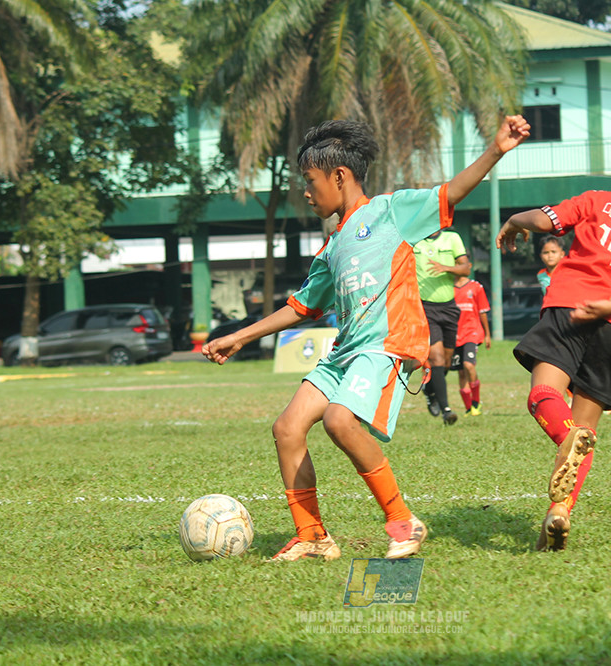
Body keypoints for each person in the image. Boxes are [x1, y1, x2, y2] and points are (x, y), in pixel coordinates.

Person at [203, 116, 530, 562]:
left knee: (340, 420)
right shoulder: (333, 246)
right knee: (287, 428)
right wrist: (239, 336)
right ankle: (313, 536)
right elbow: (301, 306)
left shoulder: (391, 211)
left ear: (339, 177)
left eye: (310, 180)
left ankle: (402, 523)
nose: (306, 190)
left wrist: (496, 149)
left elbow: (449, 193)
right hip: (345, 353)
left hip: (386, 346)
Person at [495, 129, 611, 552]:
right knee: (586, 429)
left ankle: (565, 437)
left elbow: (546, 220)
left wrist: (514, 221)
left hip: (569, 308)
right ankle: (558, 513)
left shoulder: (596, 199)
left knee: (544, 394)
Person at [414, 228, 471, 425]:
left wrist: (446, 268)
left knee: (446, 362)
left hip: (449, 307)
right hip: (425, 307)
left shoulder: (452, 238)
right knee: (436, 358)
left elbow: (466, 268)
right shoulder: (414, 240)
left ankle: (429, 390)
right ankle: (447, 410)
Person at [452, 275, 491, 416]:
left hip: (472, 332)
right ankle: (469, 408)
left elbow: (483, 311)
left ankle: (476, 402)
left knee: (469, 365)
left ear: (469, 266)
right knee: (461, 371)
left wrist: (487, 334)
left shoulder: (476, 287)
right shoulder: (448, 287)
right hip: (455, 334)